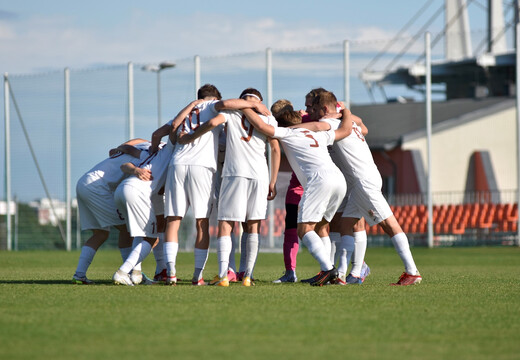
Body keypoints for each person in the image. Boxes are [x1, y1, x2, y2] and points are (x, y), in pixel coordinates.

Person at [300, 91, 422, 285]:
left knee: (389, 224)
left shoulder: (331, 123)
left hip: (363, 181)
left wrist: (290, 129)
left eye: (313, 108)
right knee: (346, 224)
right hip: (363, 179)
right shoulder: (350, 123)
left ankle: (412, 271)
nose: (311, 112)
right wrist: (344, 112)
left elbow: (316, 125)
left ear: (324, 109)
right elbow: (357, 120)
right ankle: (346, 274)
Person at [240, 101, 352, 286]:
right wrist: (345, 112)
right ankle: (332, 274)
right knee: (321, 226)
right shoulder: (317, 134)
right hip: (339, 180)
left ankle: (327, 269)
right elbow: (345, 131)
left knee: (304, 229)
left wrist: (244, 107)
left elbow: (260, 126)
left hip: (319, 180)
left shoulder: (287, 132)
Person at [179, 88, 280, 287]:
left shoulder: (232, 112)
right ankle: (248, 276)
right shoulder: (269, 118)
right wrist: (273, 180)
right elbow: (275, 148)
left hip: (235, 173)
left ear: (241, 100)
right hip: (260, 175)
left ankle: (224, 275)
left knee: (226, 223)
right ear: (259, 100)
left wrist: (190, 137)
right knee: (253, 225)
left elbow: (211, 123)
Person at [163, 84, 222, 286]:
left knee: (173, 219)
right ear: (215, 98)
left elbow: (171, 130)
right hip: (202, 166)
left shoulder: (188, 111)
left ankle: (171, 271)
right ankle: (197, 276)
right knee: (201, 222)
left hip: (177, 164)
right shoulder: (215, 106)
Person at [72, 139, 152, 285]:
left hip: (84, 182)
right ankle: (133, 273)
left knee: (101, 233)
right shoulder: (149, 154)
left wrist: (121, 147)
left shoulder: (142, 145)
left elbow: (128, 145)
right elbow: (126, 165)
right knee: (129, 230)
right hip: (97, 186)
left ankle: (79, 275)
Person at [112, 121, 176, 286]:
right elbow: (173, 129)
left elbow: (124, 165)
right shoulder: (170, 151)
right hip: (137, 192)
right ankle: (122, 272)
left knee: (139, 233)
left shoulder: (150, 153)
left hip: (122, 190)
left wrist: (135, 170)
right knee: (151, 237)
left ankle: (136, 274)